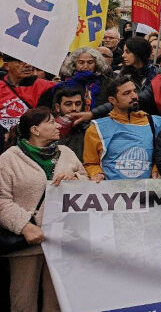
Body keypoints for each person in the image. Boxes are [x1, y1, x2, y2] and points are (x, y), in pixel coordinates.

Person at [0, 107, 87, 312]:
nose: (57, 125)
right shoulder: (9, 158)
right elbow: (2, 199)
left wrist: (74, 179)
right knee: (24, 299)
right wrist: (25, 226)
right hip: (26, 243)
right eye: (50, 122)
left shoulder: (65, 153)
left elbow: (86, 180)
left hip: (62, 241)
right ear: (35, 130)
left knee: (57, 300)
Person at [83, 77, 161, 181]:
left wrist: (157, 168)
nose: (134, 96)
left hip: (148, 193)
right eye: (126, 93)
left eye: (135, 91)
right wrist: (96, 173)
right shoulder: (96, 129)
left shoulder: (157, 123)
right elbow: (90, 163)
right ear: (112, 100)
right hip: (113, 194)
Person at [42, 47, 112, 110]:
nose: (85, 66)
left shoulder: (108, 84)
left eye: (90, 62)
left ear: (97, 64)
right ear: (74, 65)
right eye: (81, 62)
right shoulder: (64, 87)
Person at [0, 54, 56, 131]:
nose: (28, 65)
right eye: (20, 61)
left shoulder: (46, 86)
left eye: (30, 60)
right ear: (7, 65)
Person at [52, 88, 89, 159]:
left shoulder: (88, 128)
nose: (74, 108)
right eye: (68, 104)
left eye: (78, 104)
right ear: (57, 107)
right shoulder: (49, 129)